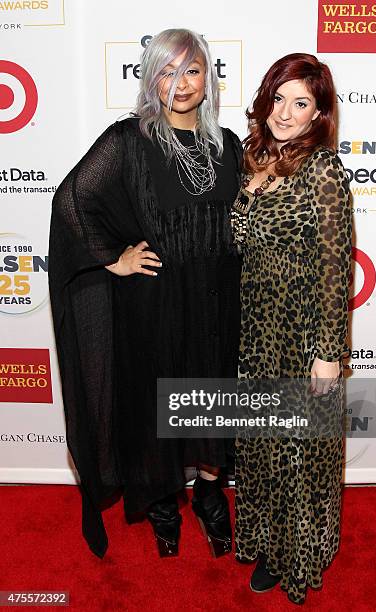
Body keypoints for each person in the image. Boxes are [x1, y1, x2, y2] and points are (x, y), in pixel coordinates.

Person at [48, 28, 242, 559]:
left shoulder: (227, 145)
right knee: (157, 408)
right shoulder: (127, 141)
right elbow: (70, 202)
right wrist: (115, 258)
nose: (180, 84)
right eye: (167, 71)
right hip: (154, 303)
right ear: (150, 78)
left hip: (217, 305)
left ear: (209, 78)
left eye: (192, 70)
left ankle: (208, 495)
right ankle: (161, 504)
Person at [231, 53, 352, 604]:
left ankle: (293, 556)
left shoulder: (323, 171)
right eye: (278, 98)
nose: (284, 112)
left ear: (318, 114)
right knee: (261, 443)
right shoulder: (254, 157)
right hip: (257, 330)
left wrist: (328, 355)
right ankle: (262, 536)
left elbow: (336, 266)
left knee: (299, 454)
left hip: (303, 338)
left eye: (299, 102)